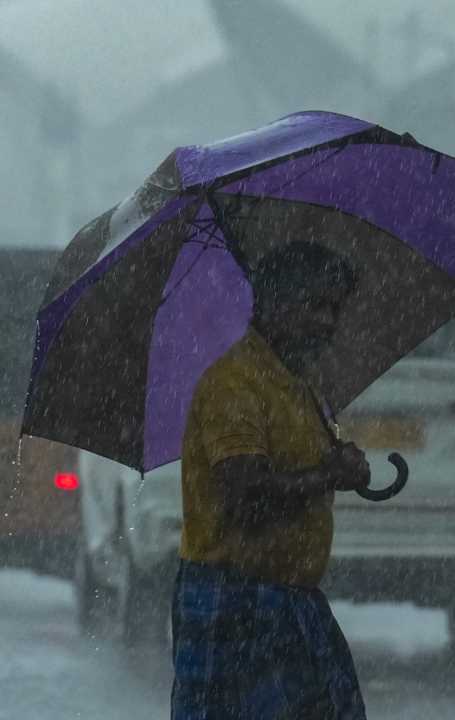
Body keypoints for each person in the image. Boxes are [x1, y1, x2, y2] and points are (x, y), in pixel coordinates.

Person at [173, 241, 372, 720]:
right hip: (236, 600)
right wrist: (328, 473)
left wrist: (338, 465)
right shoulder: (235, 383)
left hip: (290, 599)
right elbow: (244, 495)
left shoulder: (296, 382)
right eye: (314, 305)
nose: (327, 322)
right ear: (275, 302)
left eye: (334, 308)